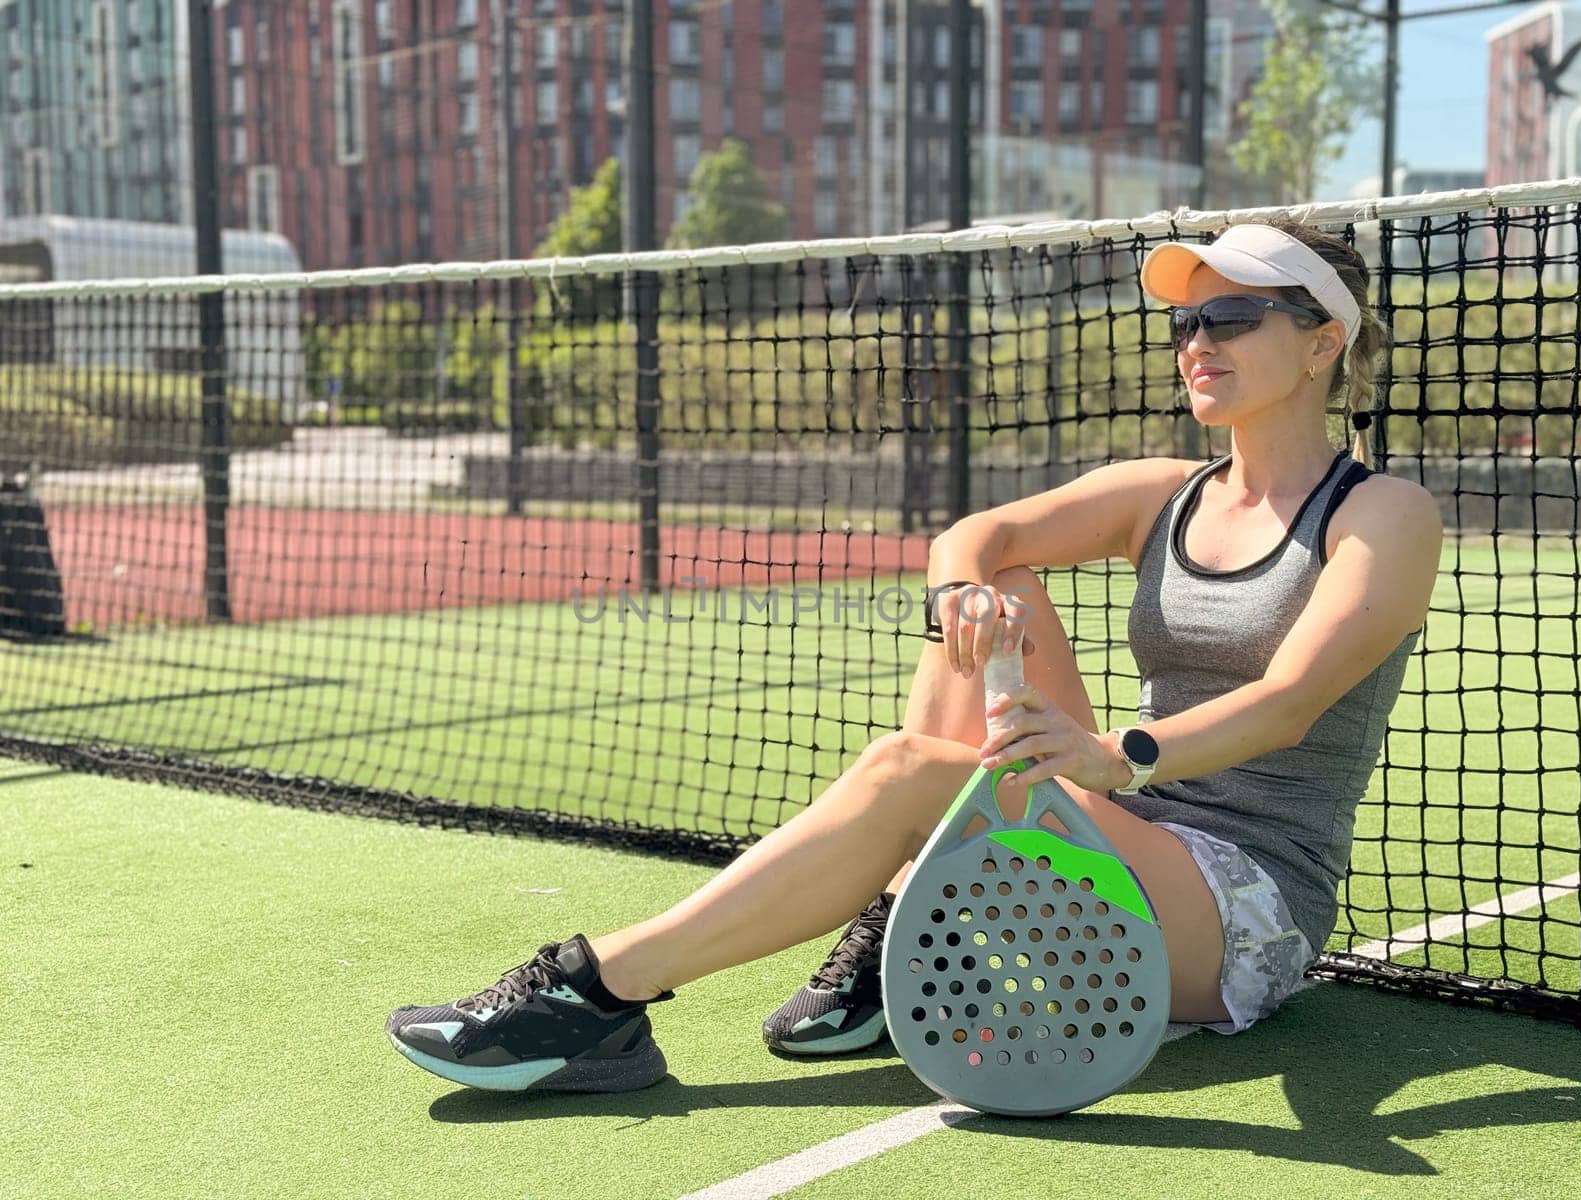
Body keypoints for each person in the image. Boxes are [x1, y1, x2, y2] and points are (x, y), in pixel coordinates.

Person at [385, 218, 1443, 1094]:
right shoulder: (1161, 491)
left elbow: (1291, 702)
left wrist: (1108, 755)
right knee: (996, 592)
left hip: (1238, 915)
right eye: (1185, 321)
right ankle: (900, 952)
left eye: (1231, 317)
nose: (1196, 342)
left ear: (1321, 344)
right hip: (1122, 851)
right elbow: (971, 537)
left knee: (904, 768)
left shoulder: (1383, 514)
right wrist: (963, 598)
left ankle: (599, 997)